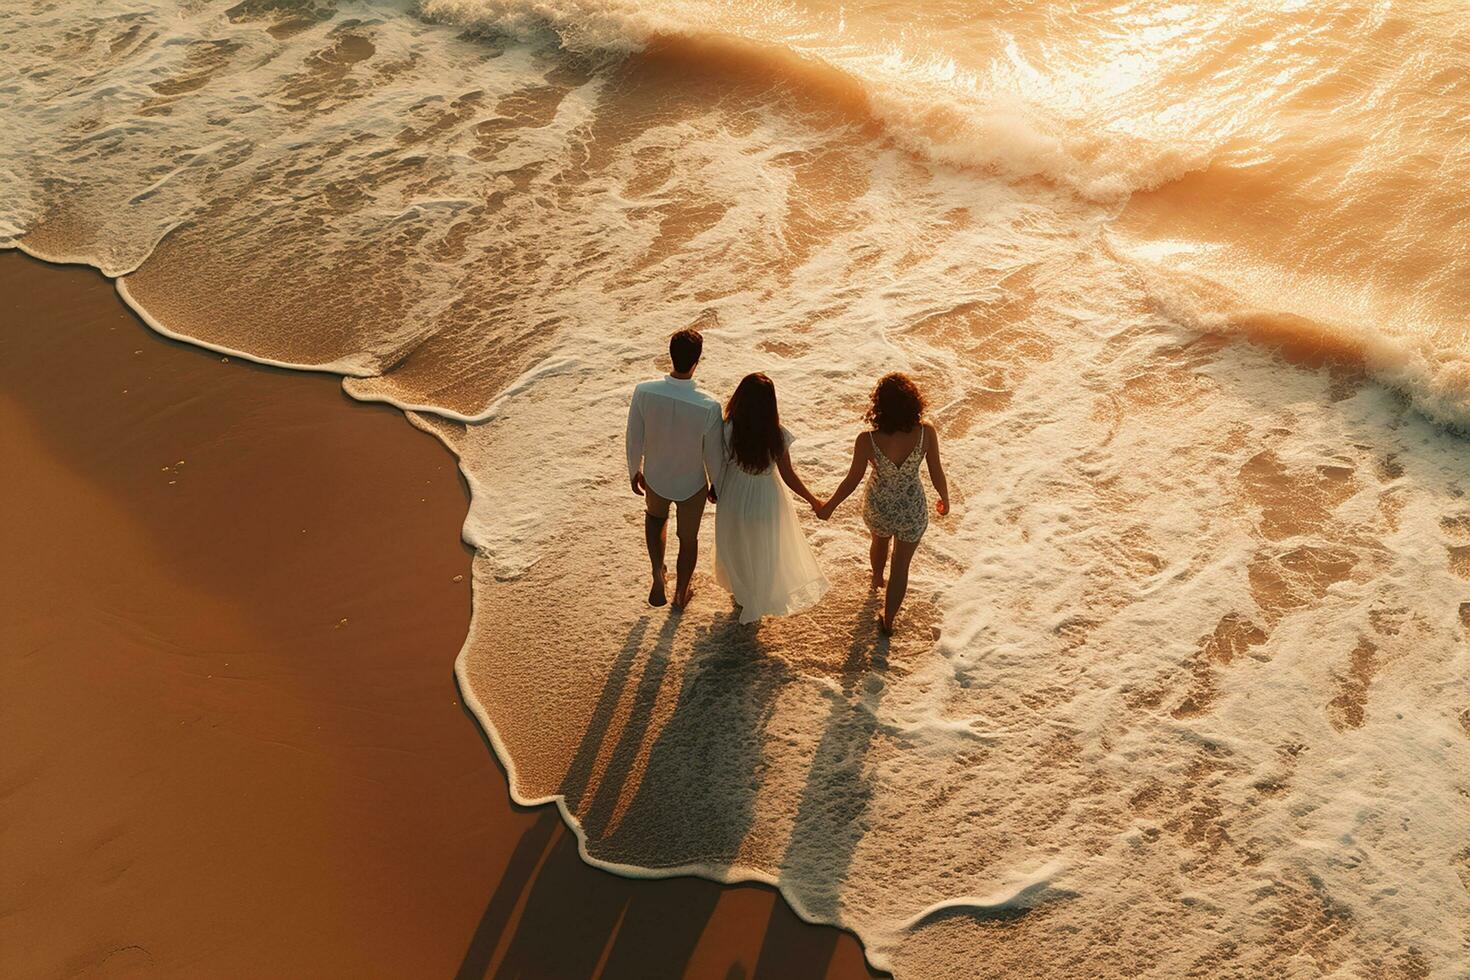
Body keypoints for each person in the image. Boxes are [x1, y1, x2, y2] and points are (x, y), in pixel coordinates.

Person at [817, 373, 949, 634]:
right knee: (901, 566)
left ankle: (877, 578)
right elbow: (936, 470)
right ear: (913, 401)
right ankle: (888, 620)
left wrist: (829, 505)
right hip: (912, 509)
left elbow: (852, 480)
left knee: (879, 541)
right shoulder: (926, 433)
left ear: (879, 406)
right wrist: (945, 498)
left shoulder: (867, 440)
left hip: (879, 506)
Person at [713, 373, 830, 624]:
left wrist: (710, 487)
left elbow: (717, 463)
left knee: (737, 545)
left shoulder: (728, 428)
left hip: (734, 493)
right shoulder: (776, 435)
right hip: (766, 496)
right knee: (763, 549)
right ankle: (756, 596)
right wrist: (813, 500)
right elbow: (788, 475)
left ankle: (742, 595)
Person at [626, 327, 725, 609]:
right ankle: (681, 594)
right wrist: (717, 484)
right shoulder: (708, 405)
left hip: (656, 477)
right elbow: (713, 453)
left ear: (670, 356)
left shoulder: (644, 392)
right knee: (688, 538)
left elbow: (634, 436)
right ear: (697, 360)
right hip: (691, 484)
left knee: (655, 520)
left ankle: (658, 572)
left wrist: (634, 470)